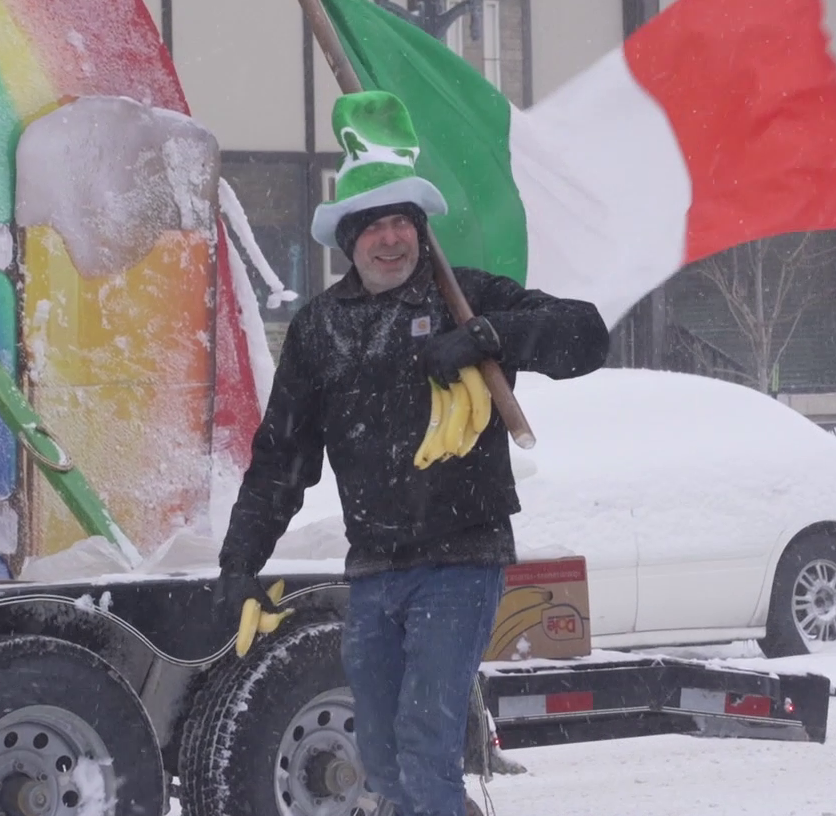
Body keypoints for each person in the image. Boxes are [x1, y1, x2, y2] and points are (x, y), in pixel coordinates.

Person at [216, 92, 609, 816]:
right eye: (375, 227)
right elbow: (281, 458)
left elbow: (586, 334)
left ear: (422, 233)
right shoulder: (319, 330)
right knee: (385, 760)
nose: (391, 239)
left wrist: (491, 337)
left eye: (404, 223)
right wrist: (239, 563)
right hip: (374, 572)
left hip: (460, 560)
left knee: (426, 748)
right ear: (350, 240)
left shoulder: (465, 299)